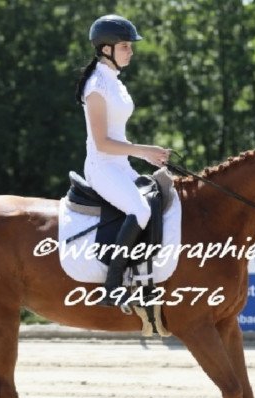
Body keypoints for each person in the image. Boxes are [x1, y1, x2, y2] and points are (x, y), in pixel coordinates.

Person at [75, 14, 171, 306]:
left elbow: (117, 135)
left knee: (158, 199)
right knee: (140, 210)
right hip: (101, 168)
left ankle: (143, 276)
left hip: (119, 164)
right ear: (107, 49)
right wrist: (144, 151)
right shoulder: (96, 87)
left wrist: (146, 154)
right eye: (125, 46)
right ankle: (112, 286)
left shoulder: (115, 82)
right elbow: (102, 142)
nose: (131, 51)